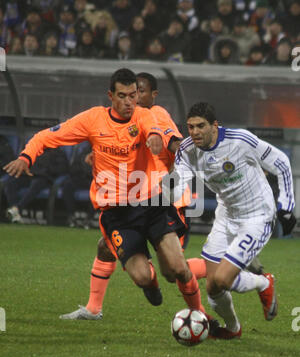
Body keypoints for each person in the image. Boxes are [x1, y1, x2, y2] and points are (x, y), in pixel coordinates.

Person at [4, 68, 203, 323]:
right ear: (110, 95)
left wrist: (154, 136)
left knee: (176, 268)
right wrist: (26, 156)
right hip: (117, 213)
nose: (129, 101)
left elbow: (152, 127)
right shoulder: (93, 120)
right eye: (123, 96)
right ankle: (143, 285)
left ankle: (201, 315)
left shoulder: (145, 115)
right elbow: (47, 136)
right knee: (142, 275)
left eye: (133, 95)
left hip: (153, 203)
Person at [59, 71, 210, 323]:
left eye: (139, 92)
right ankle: (95, 307)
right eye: (129, 93)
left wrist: (187, 161)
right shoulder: (130, 121)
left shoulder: (158, 115)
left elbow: (175, 144)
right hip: (135, 202)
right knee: (106, 247)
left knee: (173, 271)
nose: (134, 99)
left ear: (152, 95)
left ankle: (225, 268)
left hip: (166, 200)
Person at [170, 102, 295, 339]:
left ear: (214, 126)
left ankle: (262, 283)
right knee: (213, 287)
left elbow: (280, 162)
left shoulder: (240, 141)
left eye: (201, 126)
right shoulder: (186, 150)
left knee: (222, 278)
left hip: (257, 216)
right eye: (190, 127)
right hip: (226, 215)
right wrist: (165, 200)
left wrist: (287, 206)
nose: (195, 132)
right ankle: (233, 328)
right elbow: (178, 184)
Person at [4, 147, 69, 223]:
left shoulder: (57, 152)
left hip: (44, 178)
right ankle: (14, 210)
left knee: (36, 184)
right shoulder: (34, 149)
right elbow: (23, 161)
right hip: (29, 175)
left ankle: (18, 209)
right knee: (11, 183)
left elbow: (63, 168)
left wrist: (47, 170)